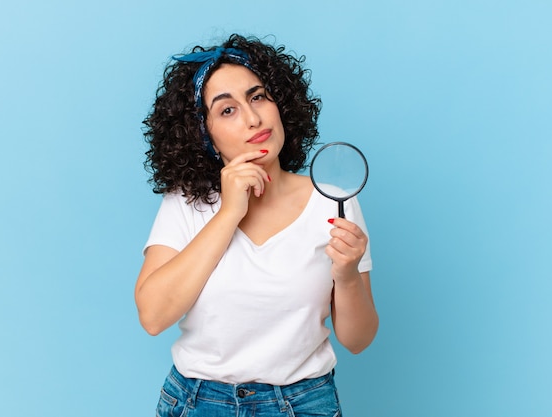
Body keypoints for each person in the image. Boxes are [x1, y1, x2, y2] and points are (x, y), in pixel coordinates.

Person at [135, 33, 379, 416]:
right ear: (206, 135)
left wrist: (347, 275)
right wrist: (229, 213)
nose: (253, 118)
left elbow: (358, 339)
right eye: (226, 110)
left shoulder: (332, 200)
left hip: (304, 403)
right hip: (199, 403)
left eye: (258, 97)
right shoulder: (185, 201)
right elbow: (153, 316)